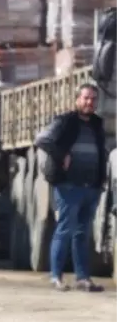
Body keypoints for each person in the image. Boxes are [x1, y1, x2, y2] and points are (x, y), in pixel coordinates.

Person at [34, 82, 109, 292]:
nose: (89, 102)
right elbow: (41, 139)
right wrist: (61, 155)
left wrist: (101, 180)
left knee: (83, 233)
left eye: (93, 99)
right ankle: (56, 277)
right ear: (77, 100)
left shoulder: (97, 124)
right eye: (85, 98)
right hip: (69, 186)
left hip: (91, 186)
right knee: (65, 230)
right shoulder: (65, 121)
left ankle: (83, 278)